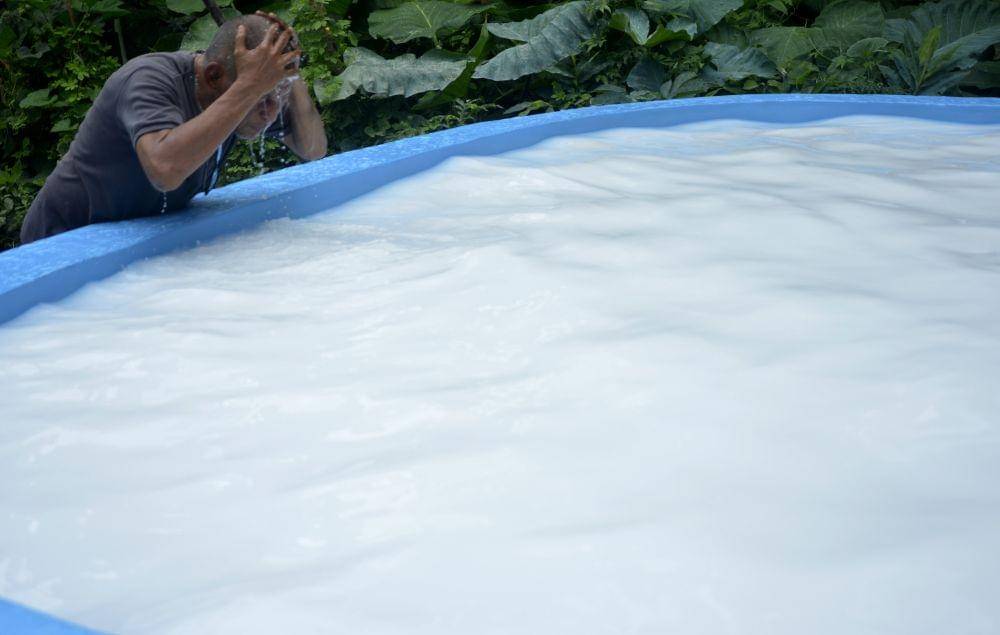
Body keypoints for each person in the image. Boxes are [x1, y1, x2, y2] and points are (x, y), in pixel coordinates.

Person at [19, 12, 327, 244]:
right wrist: (248, 87)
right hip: (62, 238)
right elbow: (165, 170)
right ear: (213, 76)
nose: (270, 111)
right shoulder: (148, 79)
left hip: (131, 240)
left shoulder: (250, 96)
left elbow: (312, 149)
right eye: (259, 97)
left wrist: (288, 70)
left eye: (276, 95)